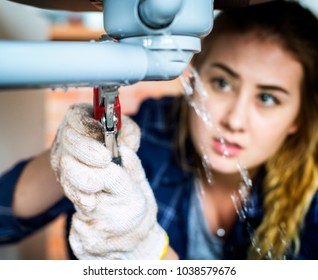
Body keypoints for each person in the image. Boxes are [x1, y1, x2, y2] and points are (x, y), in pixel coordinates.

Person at [1, 0, 318, 260]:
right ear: (195, 74)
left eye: (267, 98)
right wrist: (61, 160)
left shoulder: (312, 196)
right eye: (222, 83)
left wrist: (154, 257)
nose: (235, 120)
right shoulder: (152, 130)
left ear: (298, 118)